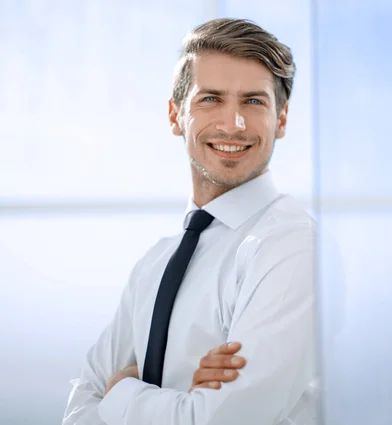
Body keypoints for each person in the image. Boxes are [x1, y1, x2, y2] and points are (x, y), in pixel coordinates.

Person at [63, 18, 319, 425]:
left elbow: (222, 421)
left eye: (253, 102)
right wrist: (178, 398)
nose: (233, 124)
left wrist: (123, 393)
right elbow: (77, 413)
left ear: (281, 119)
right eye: (211, 99)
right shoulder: (154, 264)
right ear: (175, 115)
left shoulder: (291, 246)